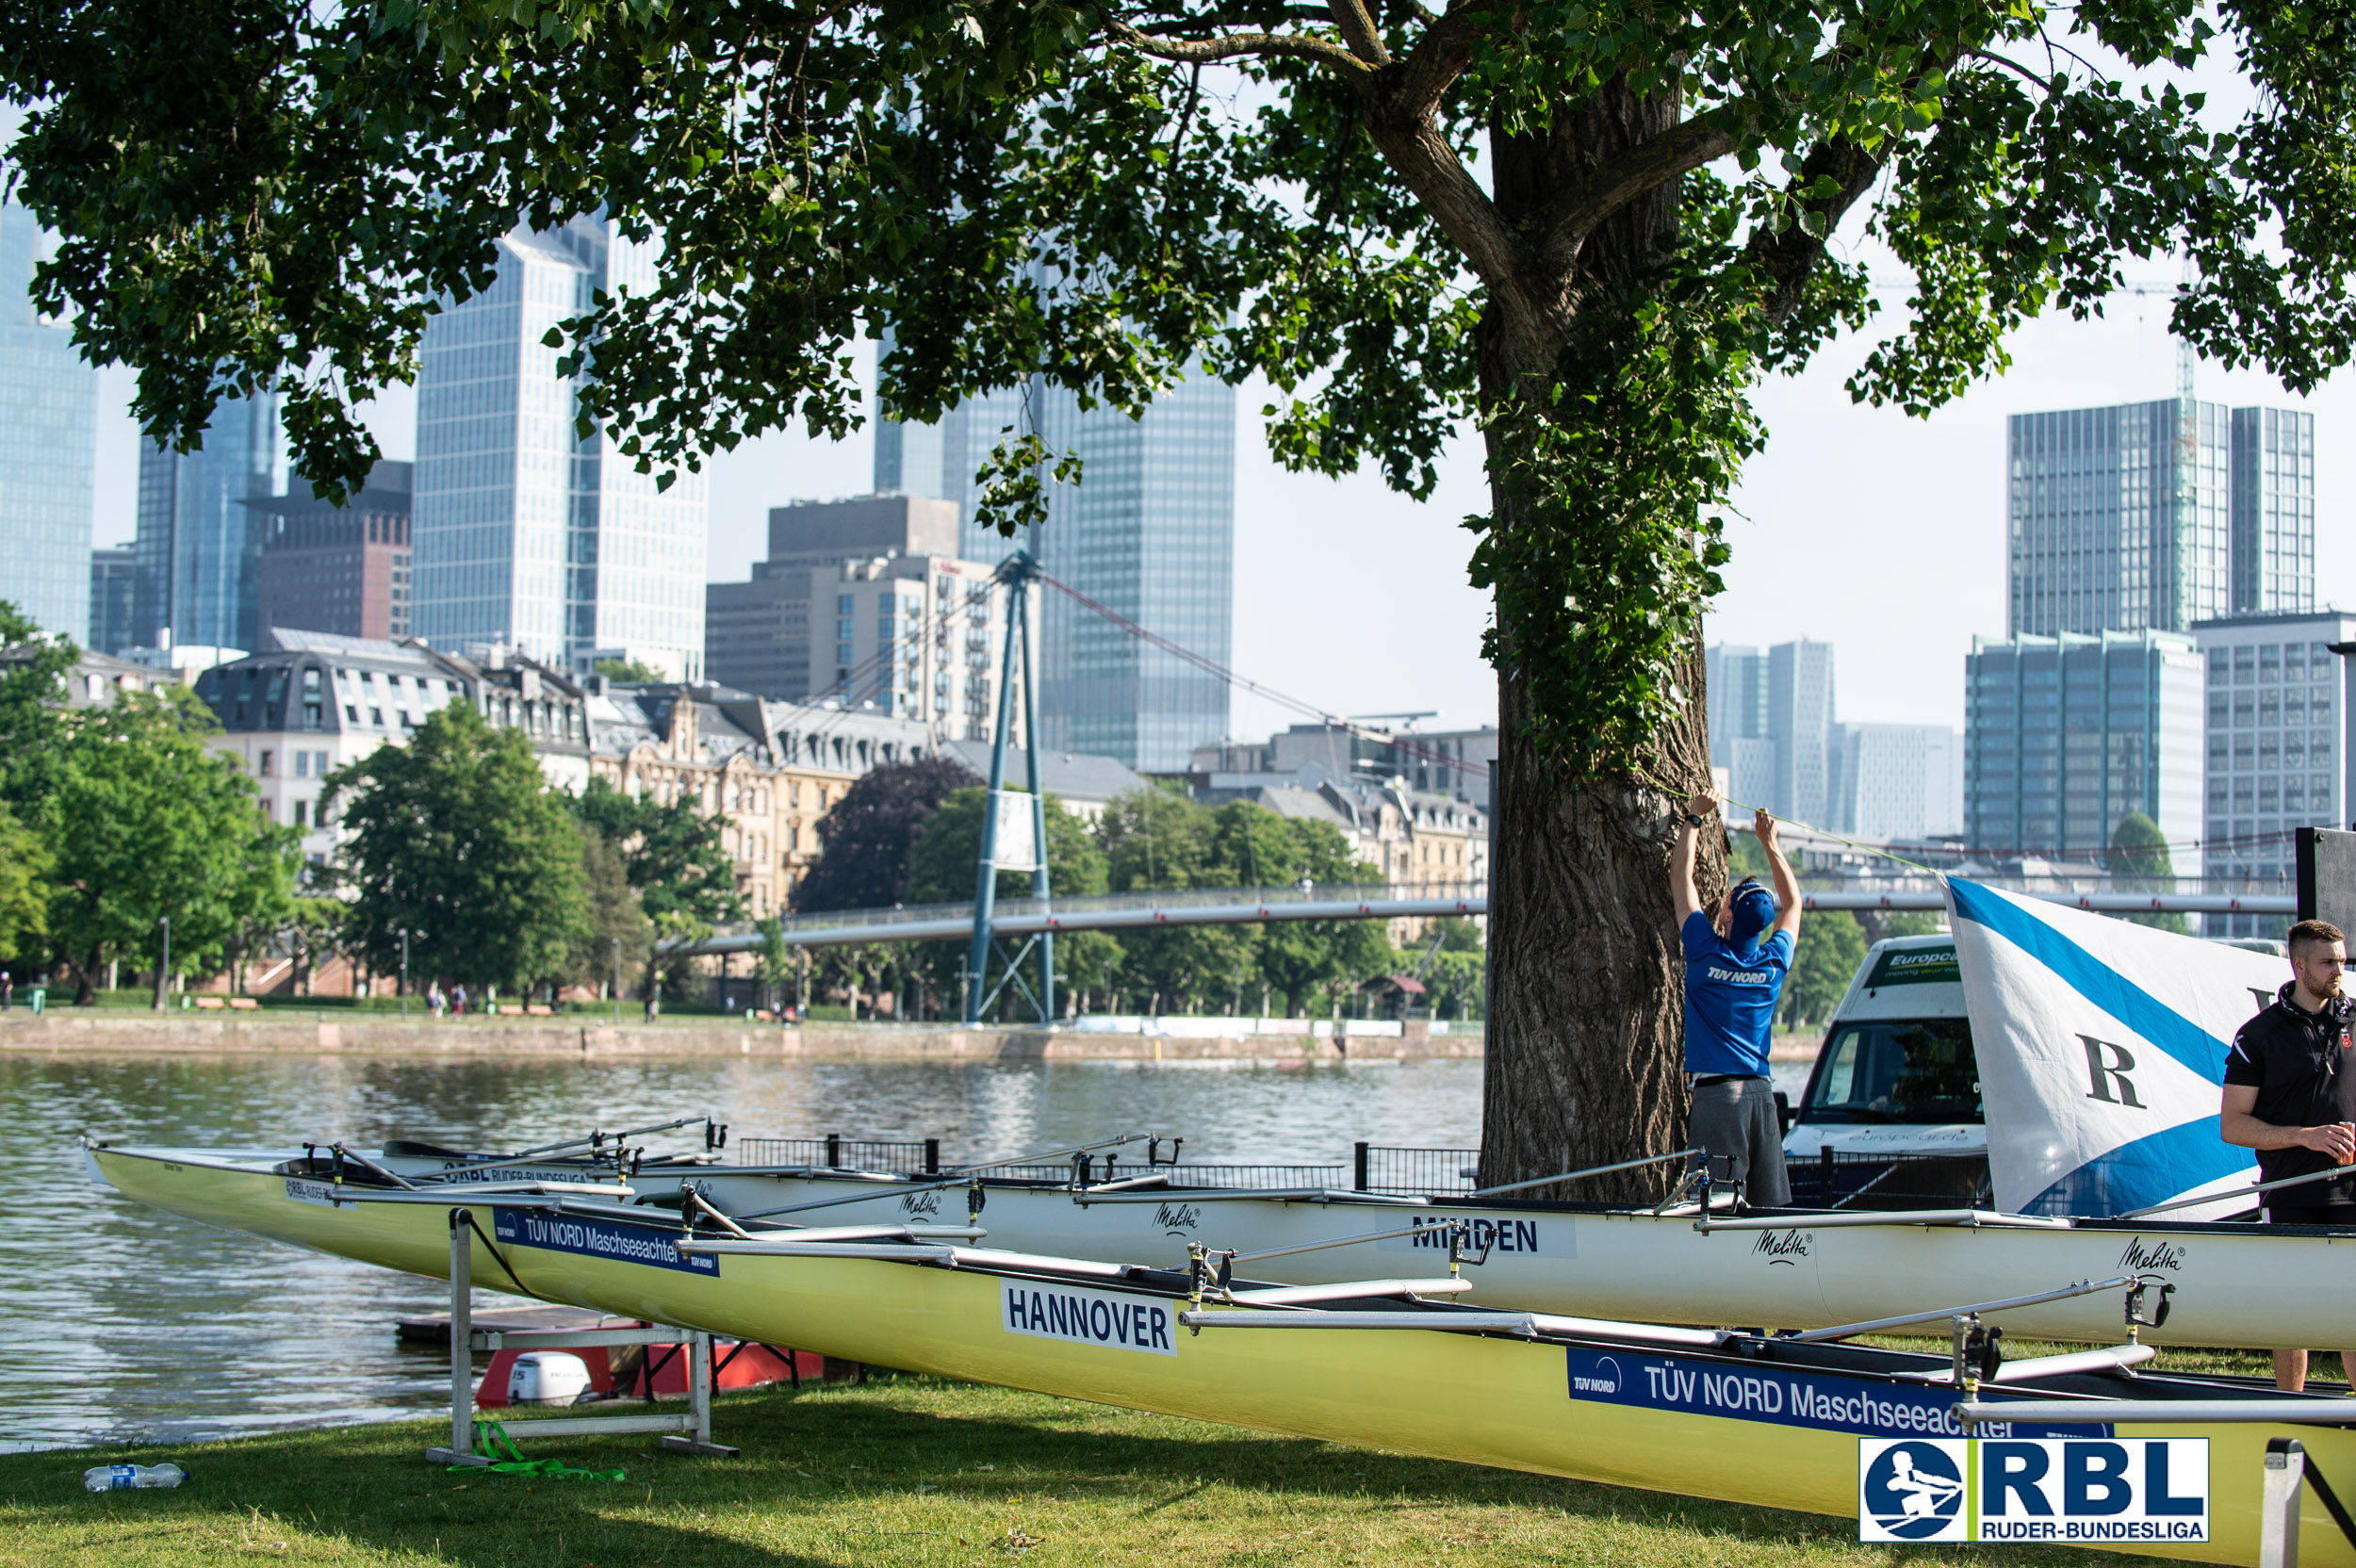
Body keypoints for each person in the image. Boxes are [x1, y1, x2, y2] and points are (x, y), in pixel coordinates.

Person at [2221, 917, 2356, 1391]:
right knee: (2294, 1311)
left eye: (2342, 960)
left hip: (2354, 1189)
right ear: (2298, 964)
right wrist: (2306, 1136)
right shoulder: (2259, 1035)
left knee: (2354, 1312)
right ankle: (2288, 1412)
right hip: (2291, 1189)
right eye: (2328, 962)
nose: (2339, 970)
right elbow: (2232, 1125)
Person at [1671, 789, 1802, 1207]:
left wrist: (1694, 817)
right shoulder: (1773, 962)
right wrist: (1771, 845)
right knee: (1770, 1211)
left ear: (1726, 916)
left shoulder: (1704, 952)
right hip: (1761, 1097)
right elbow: (1794, 904)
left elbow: (1680, 878)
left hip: (1718, 1097)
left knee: (1715, 1209)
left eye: (1726, 902)